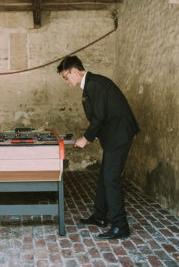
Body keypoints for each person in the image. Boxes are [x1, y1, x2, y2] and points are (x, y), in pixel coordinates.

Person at [57, 56, 139, 239]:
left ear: (74, 71)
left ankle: (120, 226)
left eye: (66, 76)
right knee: (104, 176)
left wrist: (86, 138)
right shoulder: (91, 84)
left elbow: (100, 116)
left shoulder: (94, 84)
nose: (66, 80)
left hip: (120, 134)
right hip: (114, 136)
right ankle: (100, 216)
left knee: (111, 179)